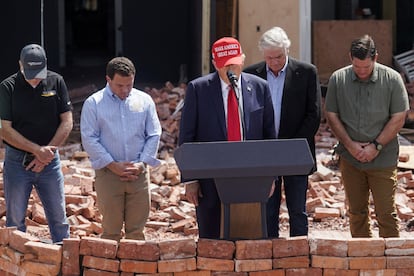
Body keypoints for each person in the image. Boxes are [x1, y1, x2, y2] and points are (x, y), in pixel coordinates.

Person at [179, 37, 276, 239]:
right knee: (211, 234)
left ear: (243, 59)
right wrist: (190, 178)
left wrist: (271, 175)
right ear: (215, 64)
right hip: (210, 175)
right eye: (225, 66)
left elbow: (269, 135)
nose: (230, 70)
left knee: (249, 232)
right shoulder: (199, 89)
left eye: (234, 64)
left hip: (250, 174)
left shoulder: (260, 87)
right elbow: (187, 136)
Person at [325, 34, 409, 238]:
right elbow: (331, 114)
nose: (361, 72)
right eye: (357, 67)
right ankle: (362, 259)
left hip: (383, 158)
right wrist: (350, 145)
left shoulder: (392, 79)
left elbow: (399, 116)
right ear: (350, 58)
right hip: (351, 158)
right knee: (356, 213)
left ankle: (392, 262)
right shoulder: (339, 79)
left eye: (366, 67)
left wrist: (376, 146)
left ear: (376, 58)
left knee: (386, 213)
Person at [244, 26, 322, 238]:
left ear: (287, 50)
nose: (274, 62)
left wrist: (290, 146)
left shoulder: (305, 72)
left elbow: (313, 114)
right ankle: (270, 254)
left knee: (297, 210)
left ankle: (298, 253)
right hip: (265, 154)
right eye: (269, 58)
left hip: (296, 151)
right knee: (268, 209)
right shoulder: (251, 74)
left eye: (278, 56)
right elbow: (248, 115)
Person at [80, 57, 161, 241]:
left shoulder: (145, 101)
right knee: (110, 233)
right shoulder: (94, 104)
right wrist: (112, 165)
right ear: (108, 80)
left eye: (129, 85)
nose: (125, 90)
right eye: (119, 85)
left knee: (137, 233)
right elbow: (89, 138)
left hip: (138, 175)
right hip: (108, 175)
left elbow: (154, 133)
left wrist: (141, 163)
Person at [0, 44, 73, 243]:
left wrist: (46, 154)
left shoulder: (56, 81)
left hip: (50, 162)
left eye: (38, 72)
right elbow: (4, 130)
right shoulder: (7, 88)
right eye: (29, 72)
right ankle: (18, 268)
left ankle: (63, 265)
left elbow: (67, 121)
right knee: (15, 221)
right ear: (20, 65)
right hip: (17, 163)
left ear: (46, 65)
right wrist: (36, 151)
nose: (34, 78)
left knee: (59, 219)